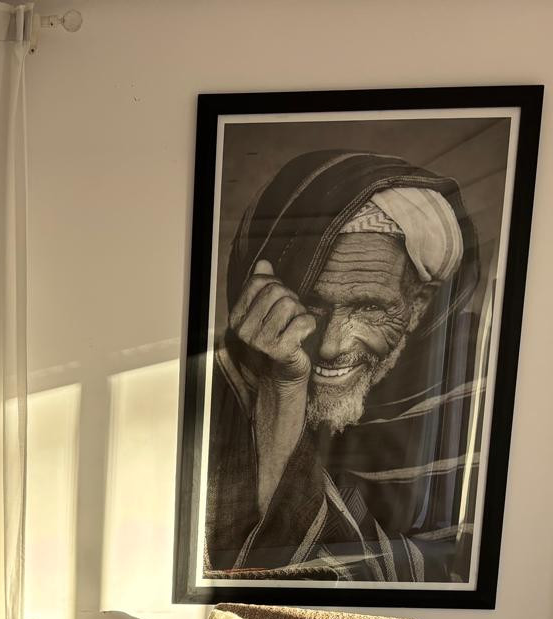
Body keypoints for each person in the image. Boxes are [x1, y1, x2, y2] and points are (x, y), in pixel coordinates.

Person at [204, 150, 482, 584]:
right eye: (310, 303)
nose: (332, 346)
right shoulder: (219, 380)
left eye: (370, 307)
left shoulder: (478, 384)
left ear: (418, 303)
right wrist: (283, 388)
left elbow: (454, 580)